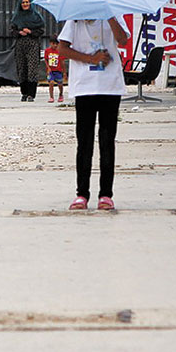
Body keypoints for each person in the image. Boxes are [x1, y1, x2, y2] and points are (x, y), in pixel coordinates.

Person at [55, 17, 130, 210]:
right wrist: (91, 59)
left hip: (110, 86)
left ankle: (106, 194)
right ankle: (82, 194)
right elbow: (62, 49)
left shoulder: (113, 15)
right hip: (84, 86)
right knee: (84, 141)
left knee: (107, 141)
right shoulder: (75, 20)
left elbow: (123, 40)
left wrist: (110, 16)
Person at [10, 0, 45, 102]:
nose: (25, 4)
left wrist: (30, 32)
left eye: (27, 2)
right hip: (20, 44)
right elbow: (12, 30)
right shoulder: (17, 17)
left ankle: (31, 94)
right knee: (22, 68)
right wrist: (19, 32)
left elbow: (41, 30)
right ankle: (24, 93)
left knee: (32, 68)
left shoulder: (36, 16)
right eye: (23, 2)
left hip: (33, 43)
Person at [44, 37, 65, 103]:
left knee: (60, 84)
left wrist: (64, 72)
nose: (55, 45)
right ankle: (51, 97)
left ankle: (61, 94)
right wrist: (48, 68)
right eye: (53, 44)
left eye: (57, 44)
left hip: (58, 70)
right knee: (51, 83)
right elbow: (46, 60)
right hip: (51, 71)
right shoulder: (47, 51)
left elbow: (62, 61)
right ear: (50, 43)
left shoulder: (60, 51)